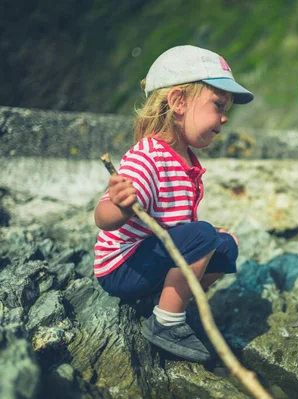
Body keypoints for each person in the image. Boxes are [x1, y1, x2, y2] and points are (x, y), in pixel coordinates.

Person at [93, 45, 253, 363]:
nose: (223, 118)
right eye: (218, 105)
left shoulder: (186, 162)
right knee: (204, 235)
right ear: (179, 102)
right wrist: (122, 206)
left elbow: (175, 228)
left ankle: (167, 302)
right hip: (123, 268)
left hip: (149, 263)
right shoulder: (149, 156)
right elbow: (103, 216)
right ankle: (166, 323)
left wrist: (207, 238)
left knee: (225, 245)